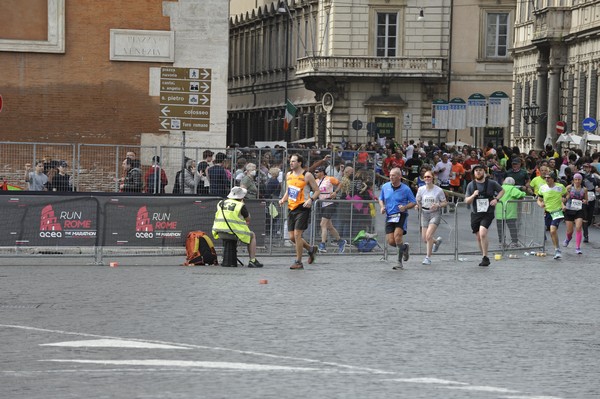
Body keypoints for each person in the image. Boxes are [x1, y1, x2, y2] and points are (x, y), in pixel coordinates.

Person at [278, 153, 321, 270]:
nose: (291, 163)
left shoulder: (307, 175)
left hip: (303, 207)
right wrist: (283, 199)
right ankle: (311, 249)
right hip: (291, 207)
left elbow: (317, 191)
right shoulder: (288, 175)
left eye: (293, 161)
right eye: (290, 161)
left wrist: (311, 200)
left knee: (297, 235)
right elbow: (289, 190)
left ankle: (298, 262)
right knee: (292, 237)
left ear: (299, 163)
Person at [212, 186, 263, 268]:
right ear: (241, 197)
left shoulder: (221, 202)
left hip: (219, 231)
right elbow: (248, 218)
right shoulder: (240, 205)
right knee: (252, 235)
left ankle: (226, 257)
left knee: (231, 235)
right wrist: (243, 205)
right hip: (233, 233)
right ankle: (252, 260)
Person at [464, 164, 504, 267]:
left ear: (484, 172)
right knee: (478, 237)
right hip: (476, 213)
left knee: (482, 233)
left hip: (488, 212)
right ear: (474, 173)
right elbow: (467, 201)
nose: (478, 172)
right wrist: (473, 195)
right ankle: (484, 256)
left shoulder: (491, 183)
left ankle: (486, 256)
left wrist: (496, 199)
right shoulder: (471, 185)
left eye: (480, 170)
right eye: (476, 170)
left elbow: (502, 190)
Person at [378, 167, 416, 270]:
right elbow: (380, 198)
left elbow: (413, 202)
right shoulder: (385, 187)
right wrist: (382, 207)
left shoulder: (406, 189)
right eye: (390, 175)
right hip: (390, 216)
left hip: (401, 215)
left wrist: (405, 207)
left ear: (399, 177)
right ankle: (404, 248)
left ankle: (399, 262)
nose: (391, 177)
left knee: (397, 237)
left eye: (393, 175)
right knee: (391, 241)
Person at [416, 170, 447, 265]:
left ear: (433, 178)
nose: (427, 179)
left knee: (429, 235)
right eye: (425, 177)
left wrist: (437, 205)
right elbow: (418, 201)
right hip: (424, 213)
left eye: (428, 177)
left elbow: (445, 202)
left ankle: (428, 257)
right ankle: (436, 242)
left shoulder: (438, 190)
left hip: (435, 213)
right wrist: (417, 206)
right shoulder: (421, 189)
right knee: (425, 238)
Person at [313, 166, 347, 254]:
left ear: (322, 172)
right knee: (329, 226)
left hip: (330, 203)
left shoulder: (329, 179)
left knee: (322, 224)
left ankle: (323, 244)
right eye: (315, 172)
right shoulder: (316, 181)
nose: (315, 174)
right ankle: (340, 241)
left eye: (317, 172)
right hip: (322, 204)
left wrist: (335, 192)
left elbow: (340, 183)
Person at [536, 172, 567, 259]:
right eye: (545, 177)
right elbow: (539, 200)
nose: (546, 179)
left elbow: (566, 194)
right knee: (550, 231)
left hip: (557, 211)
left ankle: (557, 250)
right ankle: (556, 248)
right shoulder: (542, 188)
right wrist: (540, 204)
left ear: (553, 179)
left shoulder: (560, 187)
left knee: (553, 230)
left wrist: (564, 202)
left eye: (548, 178)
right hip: (547, 212)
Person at [495, 177, 526, 248]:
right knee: (512, 228)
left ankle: (501, 242)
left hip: (499, 211)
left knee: (500, 228)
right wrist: (524, 192)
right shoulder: (512, 188)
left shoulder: (500, 187)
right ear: (513, 183)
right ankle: (514, 242)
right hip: (509, 212)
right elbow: (521, 194)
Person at [562, 173, 587, 254]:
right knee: (570, 231)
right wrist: (563, 205)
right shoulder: (569, 187)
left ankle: (578, 247)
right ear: (573, 180)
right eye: (575, 179)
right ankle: (568, 239)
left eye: (579, 179)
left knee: (578, 227)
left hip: (579, 210)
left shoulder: (584, 189)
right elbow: (561, 197)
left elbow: (586, 200)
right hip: (569, 210)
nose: (577, 181)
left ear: (581, 180)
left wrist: (585, 201)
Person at [581, 163, 600, 242]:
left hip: (592, 198)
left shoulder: (595, 177)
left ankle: (585, 226)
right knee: (585, 217)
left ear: (590, 168)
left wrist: (598, 189)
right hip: (583, 198)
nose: (586, 169)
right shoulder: (580, 176)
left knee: (589, 217)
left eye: (587, 167)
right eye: (584, 167)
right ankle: (586, 236)